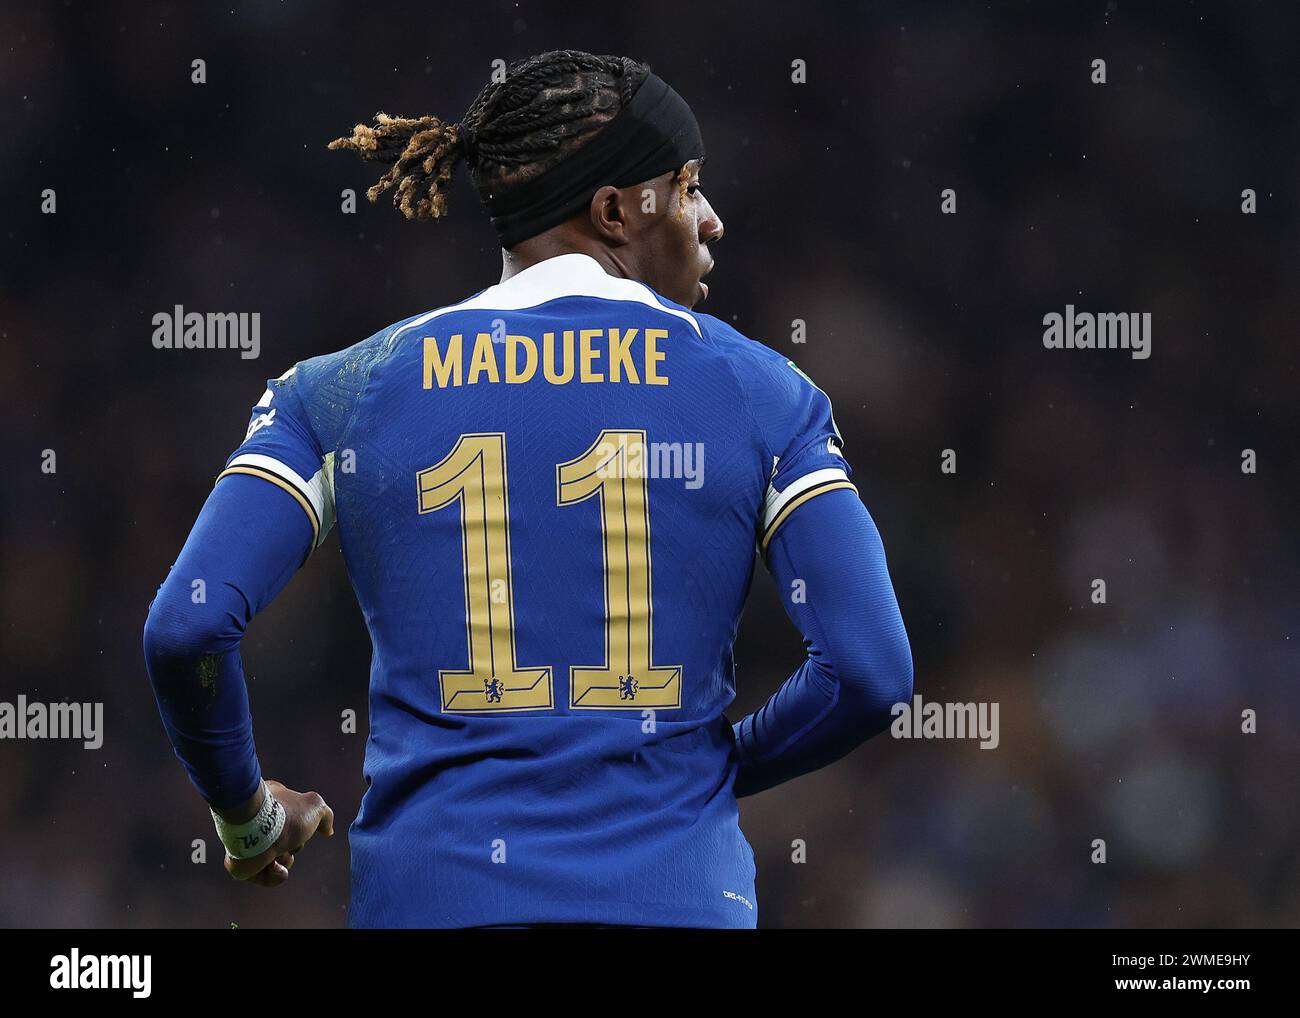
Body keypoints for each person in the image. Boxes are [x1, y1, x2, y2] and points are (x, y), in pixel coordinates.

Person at [143, 49, 912, 928]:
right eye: (690, 185)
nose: (712, 220)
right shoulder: (762, 392)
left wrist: (247, 819)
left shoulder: (343, 390)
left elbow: (187, 626)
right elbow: (870, 671)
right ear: (616, 211)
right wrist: (711, 770)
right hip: (676, 902)